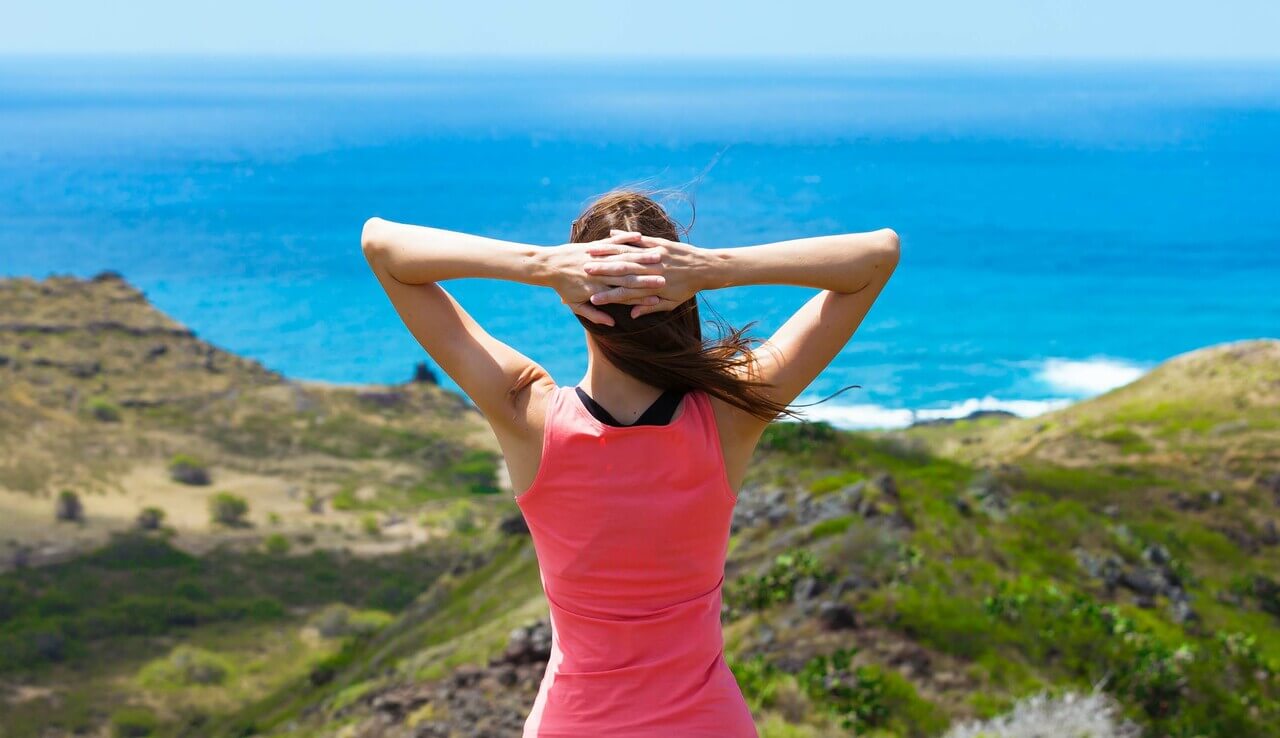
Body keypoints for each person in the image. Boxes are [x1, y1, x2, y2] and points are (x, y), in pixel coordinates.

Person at [360, 189, 899, 736]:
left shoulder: (529, 415)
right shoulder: (728, 415)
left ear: (575, 297)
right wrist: (713, 268)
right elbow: (878, 255)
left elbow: (381, 245)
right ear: (679, 292)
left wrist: (540, 265)